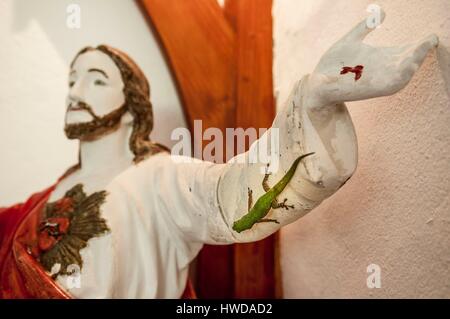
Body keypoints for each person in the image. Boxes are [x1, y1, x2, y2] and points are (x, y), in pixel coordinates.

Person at [0, 12, 438, 298]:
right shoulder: (30, 210)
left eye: (95, 79)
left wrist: (314, 103)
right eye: (72, 80)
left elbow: (233, 198)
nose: (75, 91)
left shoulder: (160, 178)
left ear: (134, 107)